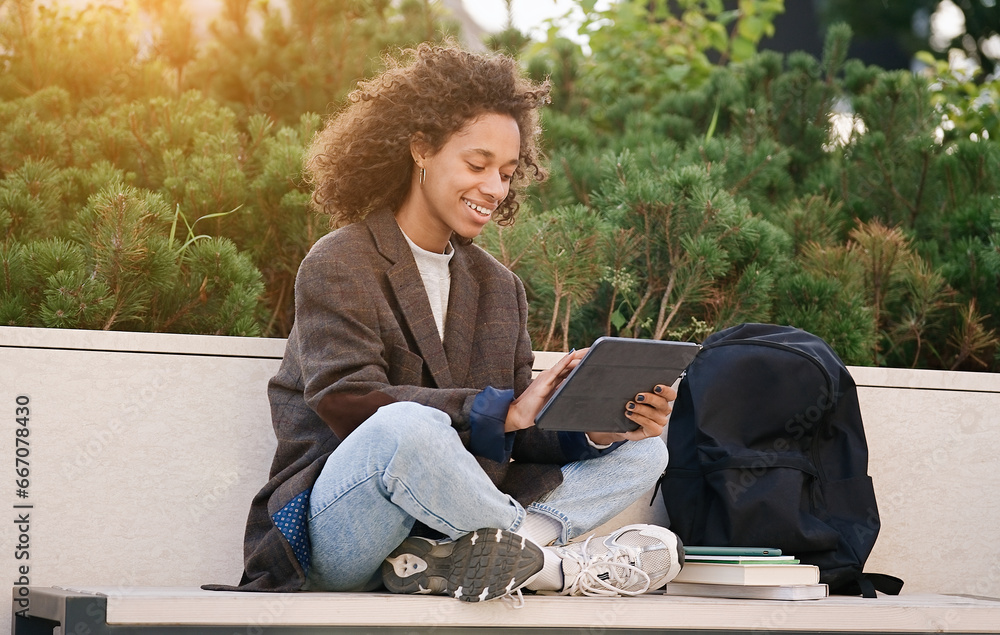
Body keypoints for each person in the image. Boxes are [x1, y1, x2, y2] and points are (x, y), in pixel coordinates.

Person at [235, 44, 684, 602]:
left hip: (443, 536)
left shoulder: (500, 288)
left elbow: (516, 434)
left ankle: (475, 560)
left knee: (646, 451)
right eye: (477, 165)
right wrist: (500, 410)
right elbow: (345, 400)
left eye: (506, 172)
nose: (495, 189)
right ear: (421, 149)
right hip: (347, 523)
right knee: (408, 428)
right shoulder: (341, 260)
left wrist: (596, 429)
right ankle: (555, 567)